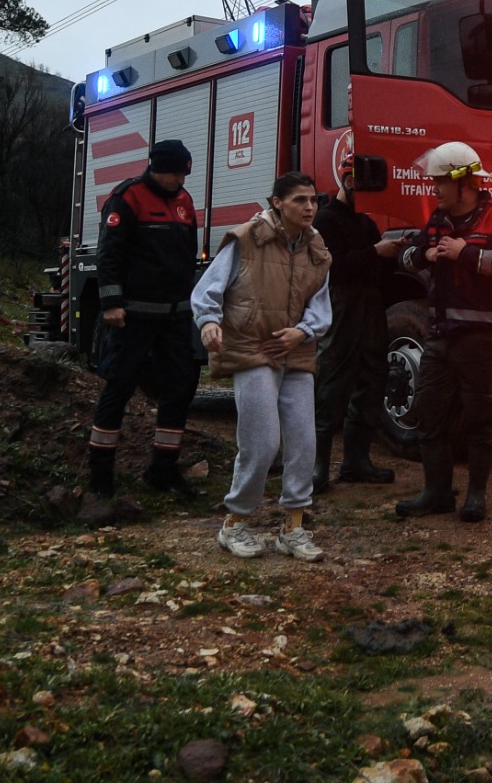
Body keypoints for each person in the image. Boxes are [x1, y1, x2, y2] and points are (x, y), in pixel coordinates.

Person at [191, 172, 333, 561]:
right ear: (277, 203)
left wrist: (303, 331)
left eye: (313, 200)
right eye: (300, 200)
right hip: (253, 348)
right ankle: (235, 522)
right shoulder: (246, 239)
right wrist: (209, 322)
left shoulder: (317, 248)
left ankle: (293, 528)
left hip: (296, 352)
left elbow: (321, 304)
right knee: (262, 442)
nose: (309, 207)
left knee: (303, 442)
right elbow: (208, 289)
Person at [389, 142, 492, 522]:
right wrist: (424, 255)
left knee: (480, 420)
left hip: (479, 339)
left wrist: (466, 253)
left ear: (464, 183)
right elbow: (407, 256)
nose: (434, 189)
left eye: (440, 182)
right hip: (439, 337)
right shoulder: (438, 220)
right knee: (429, 415)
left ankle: (476, 496)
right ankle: (437, 493)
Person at [88, 138, 201, 499]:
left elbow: (188, 255)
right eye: (175, 174)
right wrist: (111, 303)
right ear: (157, 168)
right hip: (133, 317)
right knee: (119, 387)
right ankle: (100, 477)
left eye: (184, 174)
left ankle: (163, 470)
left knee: (179, 389)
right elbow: (109, 255)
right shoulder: (128, 197)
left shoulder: (184, 201)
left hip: (175, 317)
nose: (180, 180)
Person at [314, 154, 395, 486]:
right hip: (341, 304)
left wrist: (396, 253)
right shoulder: (324, 220)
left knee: (373, 378)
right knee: (333, 378)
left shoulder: (365, 223)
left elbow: (376, 268)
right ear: (348, 182)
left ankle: (356, 462)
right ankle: (317, 467)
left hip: (369, 305)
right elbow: (332, 266)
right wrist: (376, 252)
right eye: (362, 187)